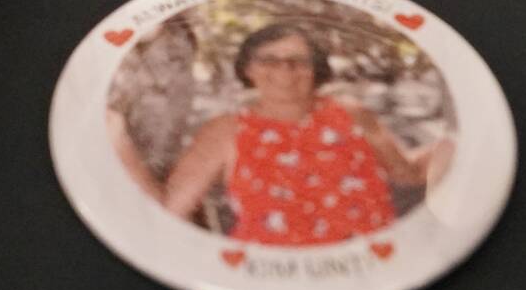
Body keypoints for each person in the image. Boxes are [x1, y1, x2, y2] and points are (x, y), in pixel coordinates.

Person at [160, 24, 446, 245]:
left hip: (370, 274)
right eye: (268, 60)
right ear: (248, 69)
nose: (285, 70)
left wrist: (455, 142)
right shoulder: (225, 131)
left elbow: (407, 172)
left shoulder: (352, 115)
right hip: (270, 280)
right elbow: (171, 212)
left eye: (299, 61)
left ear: (316, 69)